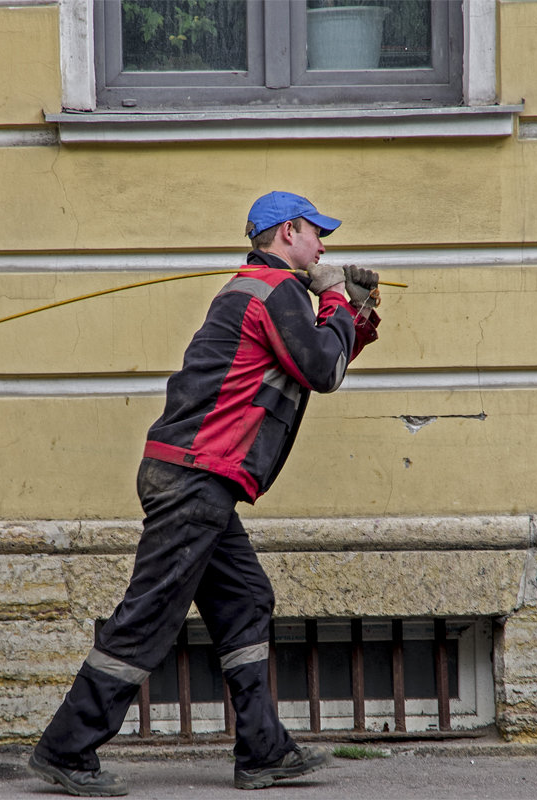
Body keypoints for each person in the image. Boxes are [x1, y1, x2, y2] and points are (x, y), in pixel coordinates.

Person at [28, 191, 382, 796]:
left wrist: (359, 311)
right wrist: (334, 297)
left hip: (201, 478)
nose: (324, 245)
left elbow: (321, 356)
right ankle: (67, 749)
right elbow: (322, 370)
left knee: (245, 598)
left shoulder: (272, 293)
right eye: (316, 234)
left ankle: (263, 751)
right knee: (149, 617)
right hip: (195, 477)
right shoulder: (274, 293)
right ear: (286, 231)